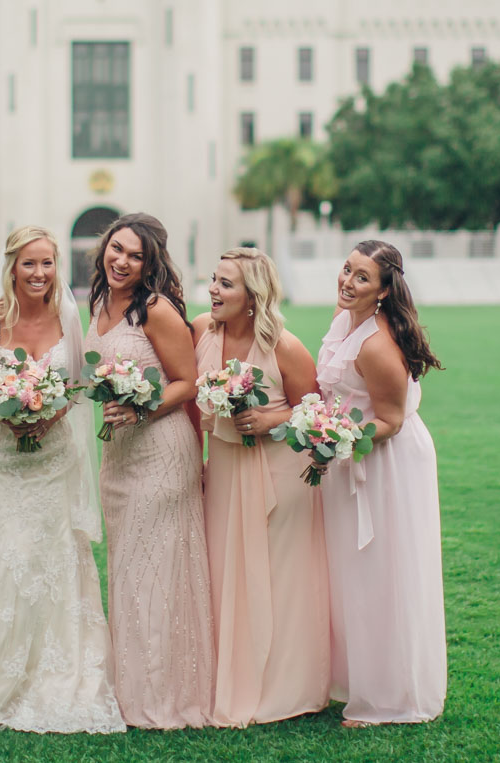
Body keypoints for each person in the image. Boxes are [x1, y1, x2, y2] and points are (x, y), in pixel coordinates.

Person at [0, 227, 124, 734]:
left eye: (47, 263)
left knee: (54, 553)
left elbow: (77, 381)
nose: (39, 274)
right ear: (11, 267)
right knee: (8, 551)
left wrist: (49, 415)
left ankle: (54, 673)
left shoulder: (69, 317)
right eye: (29, 264)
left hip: (54, 455)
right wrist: (8, 413)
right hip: (2, 457)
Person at [84, 212, 214, 729]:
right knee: (127, 569)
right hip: (118, 455)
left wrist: (142, 408)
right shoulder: (98, 303)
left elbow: (187, 382)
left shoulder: (155, 310)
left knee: (156, 571)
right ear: (104, 249)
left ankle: (162, 694)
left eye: (135, 255)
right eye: (116, 249)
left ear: (150, 262)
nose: (122, 261)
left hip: (161, 450)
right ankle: (129, 686)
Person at [191, 248, 331, 727]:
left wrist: (271, 415)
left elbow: (313, 409)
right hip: (227, 468)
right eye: (213, 280)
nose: (213, 290)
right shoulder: (200, 333)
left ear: (253, 297)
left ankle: (286, 688)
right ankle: (229, 677)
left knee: (280, 577)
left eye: (225, 284)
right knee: (226, 571)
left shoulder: (284, 347)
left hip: (278, 473)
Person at [318, 240, 448, 727]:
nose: (347, 282)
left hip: (386, 464)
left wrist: (334, 437)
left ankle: (392, 698)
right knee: (352, 574)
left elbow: (390, 419)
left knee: (384, 573)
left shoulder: (377, 343)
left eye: (361, 278)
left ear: (384, 291)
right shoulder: (344, 317)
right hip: (349, 457)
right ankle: (358, 678)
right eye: (347, 270)